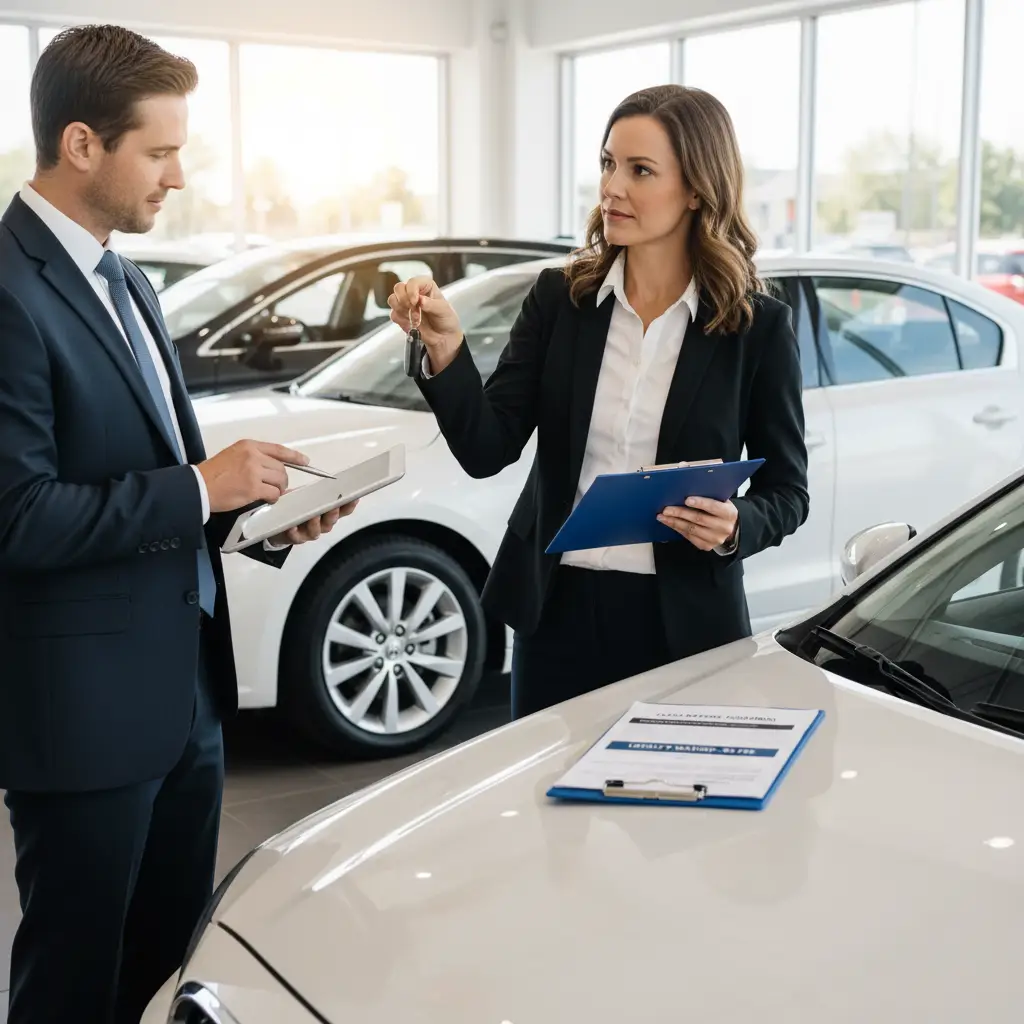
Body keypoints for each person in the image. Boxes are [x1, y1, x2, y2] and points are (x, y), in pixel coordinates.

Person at [0, 25, 355, 1024]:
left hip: (186, 699)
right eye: (160, 152)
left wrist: (258, 517)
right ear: (81, 146)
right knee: (71, 982)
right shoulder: (7, 291)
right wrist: (205, 487)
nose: (179, 177)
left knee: (163, 969)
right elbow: (18, 518)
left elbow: (157, 485)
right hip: (82, 719)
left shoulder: (130, 283)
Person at [390, 84, 808, 719]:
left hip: (684, 627)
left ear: (696, 188)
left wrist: (737, 527)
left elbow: (788, 492)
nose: (612, 187)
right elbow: (486, 447)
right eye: (608, 164)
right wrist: (446, 350)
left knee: (669, 814)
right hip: (556, 611)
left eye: (640, 170)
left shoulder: (757, 330)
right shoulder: (561, 301)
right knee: (544, 808)